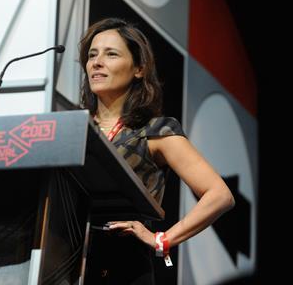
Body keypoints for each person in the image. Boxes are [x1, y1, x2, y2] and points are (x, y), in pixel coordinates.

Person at [79, 18, 235, 284]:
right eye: (92, 55)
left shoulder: (156, 131)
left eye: (111, 54)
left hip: (123, 268)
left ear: (139, 68)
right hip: (64, 262)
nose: (97, 62)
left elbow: (220, 195)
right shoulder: (75, 127)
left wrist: (163, 239)